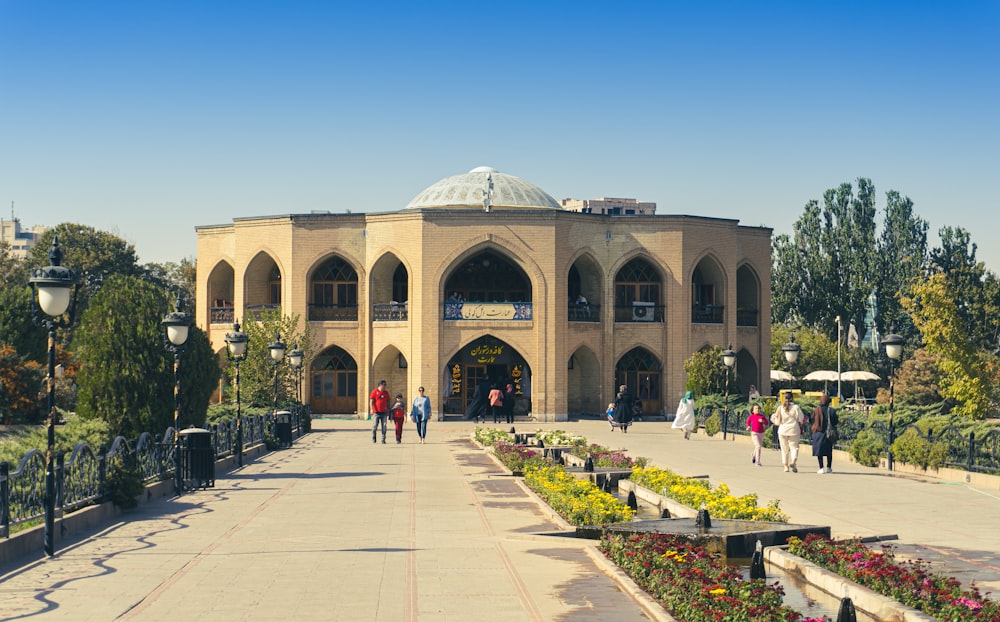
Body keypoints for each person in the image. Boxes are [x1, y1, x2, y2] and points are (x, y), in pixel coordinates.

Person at [771, 391, 804, 472]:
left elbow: (775, 418)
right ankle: (793, 462)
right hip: (794, 430)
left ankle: (785, 466)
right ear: (792, 398)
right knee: (794, 448)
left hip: (782, 430)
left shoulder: (780, 407)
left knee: (784, 449)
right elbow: (801, 418)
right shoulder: (796, 407)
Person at [811, 394, 838, 473]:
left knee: (819, 451)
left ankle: (821, 468)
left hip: (818, 433)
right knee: (829, 451)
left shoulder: (816, 410)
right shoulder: (832, 411)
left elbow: (811, 420)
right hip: (828, 434)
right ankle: (829, 467)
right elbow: (835, 421)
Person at [370, 380, 390, 444]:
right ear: (380, 385)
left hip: (384, 412)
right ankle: (374, 437)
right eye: (384, 385)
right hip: (376, 412)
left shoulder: (386, 393)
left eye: (385, 385)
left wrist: (388, 408)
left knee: (384, 425)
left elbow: (388, 401)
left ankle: (383, 439)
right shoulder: (374, 392)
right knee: (375, 425)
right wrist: (371, 409)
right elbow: (371, 401)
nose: (385, 387)